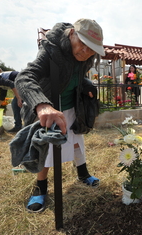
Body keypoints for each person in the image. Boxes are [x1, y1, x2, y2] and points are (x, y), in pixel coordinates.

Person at [14, 18, 104, 213]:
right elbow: (25, 76)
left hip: (73, 107)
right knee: (45, 149)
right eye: (83, 44)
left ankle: (83, 174)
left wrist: (86, 85)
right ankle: (40, 188)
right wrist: (42, 104)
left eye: (92, 49)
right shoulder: (51, 49)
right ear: (72, 34)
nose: (86, 52)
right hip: (50, 109)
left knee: (77, 141)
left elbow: (76, 76)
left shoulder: (85, 58)